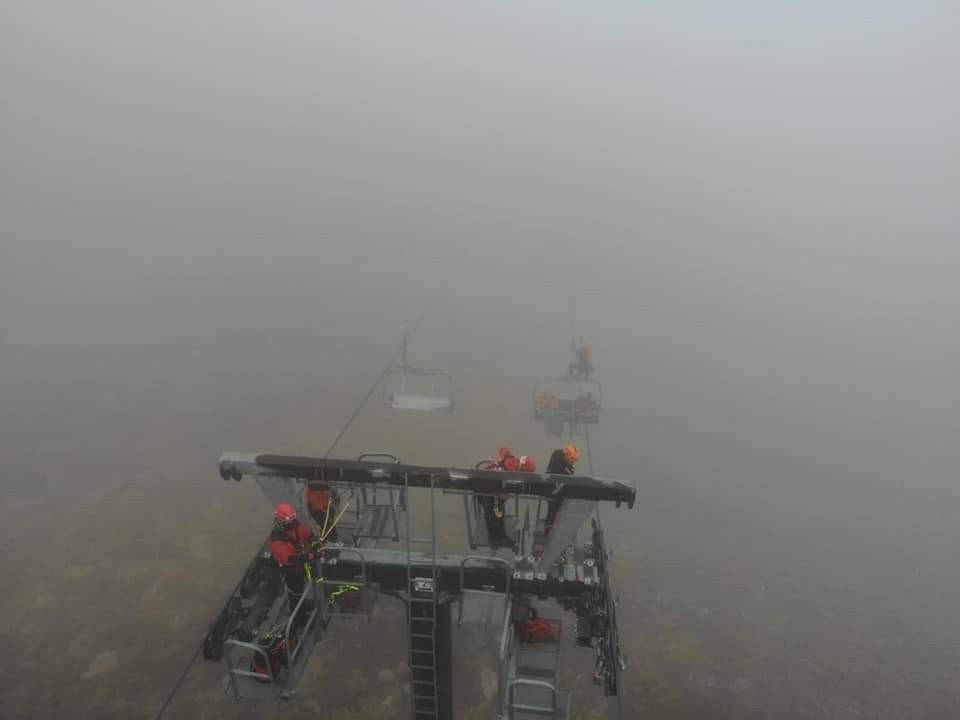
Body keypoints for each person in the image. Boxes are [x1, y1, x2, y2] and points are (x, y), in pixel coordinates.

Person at [269, 502, 316, 611]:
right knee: (296, 591)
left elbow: (306, 533)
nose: (291, 524)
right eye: (288, 523)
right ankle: (298, 616)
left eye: (291, 521)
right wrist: (310, 556)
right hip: (291, 570)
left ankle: (302, 604)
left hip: (301, 561)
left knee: (308, 580)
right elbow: (289, 560)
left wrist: (314, 541)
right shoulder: (277, 539)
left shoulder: (295, 526)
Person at [544, 445, 581, 536]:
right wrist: (569, 472)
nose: (572, 463)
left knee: (554, 512)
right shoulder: (558, 466)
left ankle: (550, 530)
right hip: (552, 490)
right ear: (568, 457)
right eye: (572, 461)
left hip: (553, 489)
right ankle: (548, 532)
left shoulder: (558, 454)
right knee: (553, 511)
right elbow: (560, 472)